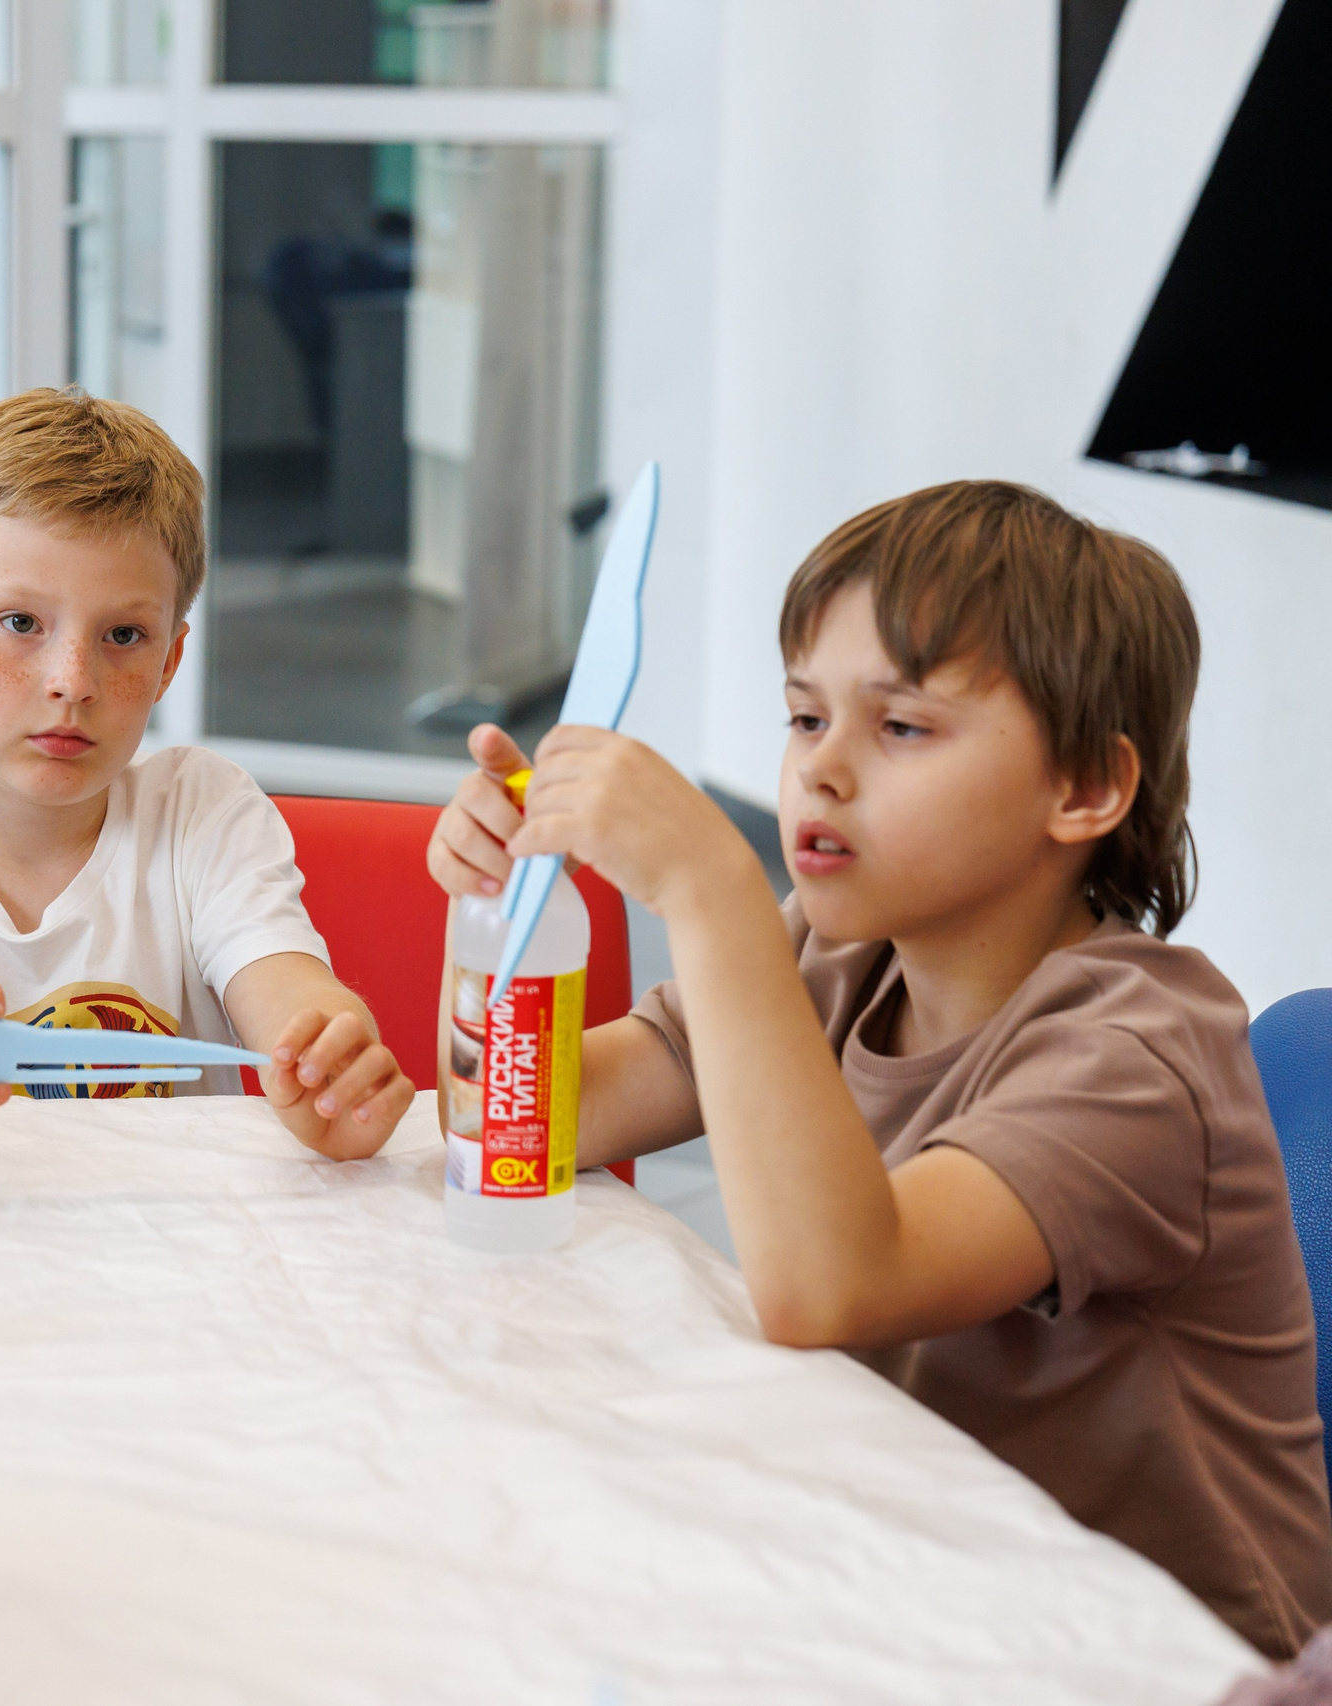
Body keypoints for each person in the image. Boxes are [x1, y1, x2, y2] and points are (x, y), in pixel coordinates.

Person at [426, 480, 1332, 1657]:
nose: (822, 770)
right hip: (923, 1586)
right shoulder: (831, 946)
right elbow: (532, 1119)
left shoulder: (1137, 1055)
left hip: (1157, 1662)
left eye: (899, 726)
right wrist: (511, 921)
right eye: (804, 718)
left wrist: (709, 889)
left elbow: (832, 1286)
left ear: (1086, 788)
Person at [0, 387, 416, 1158]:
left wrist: (329, 1062)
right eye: (21, 623)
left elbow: (289, 993)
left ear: (170, 662)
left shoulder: (204, 809)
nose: (73, 680)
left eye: (124, 634)